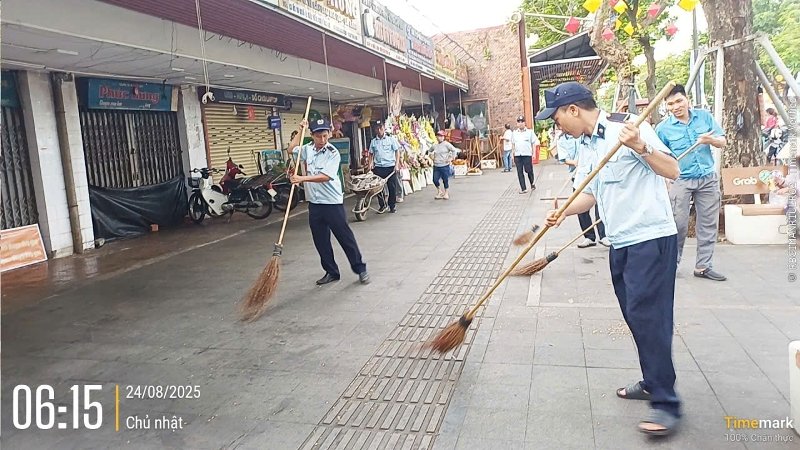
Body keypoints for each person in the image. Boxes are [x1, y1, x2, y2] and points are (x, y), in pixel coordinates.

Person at [538, 81, 682, 436]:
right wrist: (565, 211)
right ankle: (653, 380)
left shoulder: (629, 128)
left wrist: (641, 146)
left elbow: (672, 170)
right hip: (621, 243)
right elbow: (590, 193)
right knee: (635, 317)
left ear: (573, 110)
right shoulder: (587, 145)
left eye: (557, 118)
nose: (557, 126)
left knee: (650, 319)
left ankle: (666, 403)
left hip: (650, 238)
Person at [656, 84, 728, 281]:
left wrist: (710, 140)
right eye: (670, 104)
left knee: (707, 224)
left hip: (707, 178)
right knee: (677, 225)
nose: (675, 106)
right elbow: (660, 158)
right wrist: (665, 182)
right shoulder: (662, 129)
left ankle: (703, 266)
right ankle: (671, 265)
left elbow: (722, 141)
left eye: (678, 101)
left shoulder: (704, 117)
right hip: (680, 180)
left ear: (687, 99)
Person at [290, 119, 370, 286]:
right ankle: (331, 271)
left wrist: (302, 178)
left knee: (345, 237)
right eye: (318, 136)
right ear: (312, 136)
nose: (323, 139)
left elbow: (325, 176)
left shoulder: (332, 152)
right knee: (320, 240)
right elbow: (291, 150)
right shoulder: (307, 150)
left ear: (329, 134)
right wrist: (300, 130)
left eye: (325, 135)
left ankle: (360, 268)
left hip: (332, 204)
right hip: (315, 204)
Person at [558, 131, 610, 248]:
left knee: (600, 205)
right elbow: (563, 158)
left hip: (597, 175)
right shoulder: (562, 140)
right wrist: (575, 162)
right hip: (579, 176)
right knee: (581, 210)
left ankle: (603, 235)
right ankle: (589, 237)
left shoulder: (589, 133)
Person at [368, 122, 401, 213]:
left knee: (392, 187)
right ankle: (382, 205)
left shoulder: (391, 139)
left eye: (380, 128)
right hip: (378, 168)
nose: (379, 130)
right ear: (375, 130)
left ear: (384, 128)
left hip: (390, 167)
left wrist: (397, 164)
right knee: (378, 188)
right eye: (377, 129)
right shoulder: (373, 142)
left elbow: (397, 151)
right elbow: (371, 153)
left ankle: (392, 206)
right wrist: (370, 164)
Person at [511, 115, 538, 193]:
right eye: (519, 122)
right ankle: (523, 188)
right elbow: (513, 144)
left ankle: (532, 183)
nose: (520, 123)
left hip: (527, 154)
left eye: (522, 121)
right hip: (518, 155)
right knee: (520, 172)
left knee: (528, 170)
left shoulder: (530, 132)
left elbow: (533, 143)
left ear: (524, 123)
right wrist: (513, 155)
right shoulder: (514, 133)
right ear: (517, 124)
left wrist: (534, 154)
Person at [431, 130, 458, 199]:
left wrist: (451, 158)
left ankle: (446, 193)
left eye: (441, 136)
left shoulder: (446, 144)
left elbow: (454, 150)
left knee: (445, 179)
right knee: (435, 179)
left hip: (444, 165)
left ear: (443, 137)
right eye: (438, 136)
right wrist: (430, 156)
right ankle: (439, 191)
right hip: (436, 165)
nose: (440, 137)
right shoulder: (435, 145)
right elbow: (429, 151)